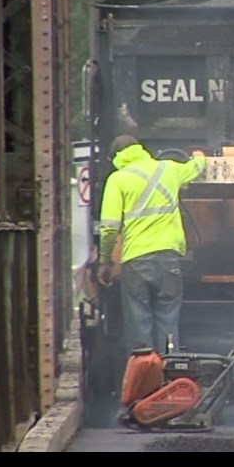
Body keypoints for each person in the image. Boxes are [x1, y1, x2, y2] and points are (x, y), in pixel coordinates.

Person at [97, 135, 206, 358]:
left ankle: (143, 381)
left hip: (136, 261)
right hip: (169, 259)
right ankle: (169, 375)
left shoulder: (117, 179)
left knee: (138, 321)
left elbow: (109, 228)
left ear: (115, 157)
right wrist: (199, 155)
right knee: (168, 319)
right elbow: (196, 167)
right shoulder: (169, 169)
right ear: (141, 149)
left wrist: (105, 261)